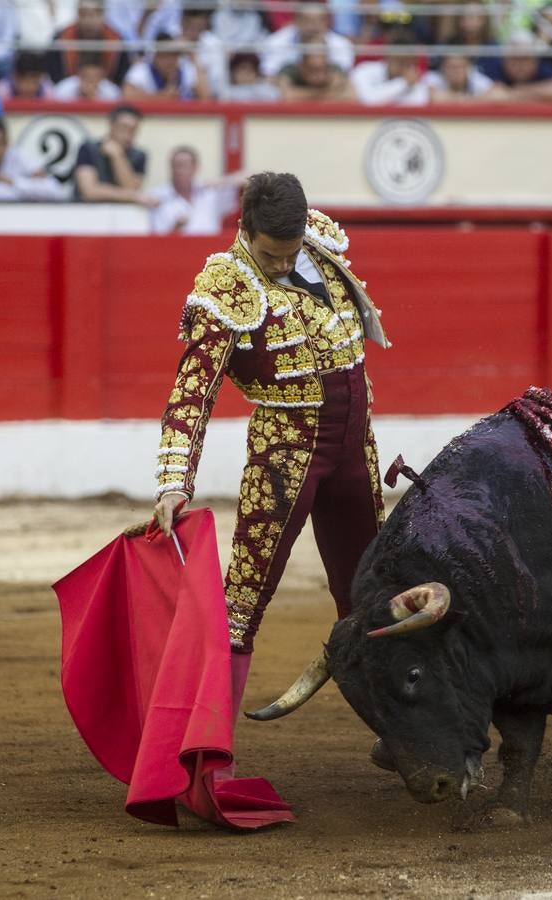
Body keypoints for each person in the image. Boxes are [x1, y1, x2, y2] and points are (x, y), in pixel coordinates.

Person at [151, 172, 390, 732]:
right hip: (285, 457)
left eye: (289, 253)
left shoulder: (322, 248)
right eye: (268, 254)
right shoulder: (225, 286)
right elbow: (192, 391)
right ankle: (205, 751)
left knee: (371, 596)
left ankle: (403, 734)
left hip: (357, 450)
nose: (280, 265)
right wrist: (173, 481)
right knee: (240, 607)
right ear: (244, 229)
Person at [0, 118, 67, 201]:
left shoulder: (16, 154)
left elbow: (55, 190)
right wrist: (31, 190)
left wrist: (13, 182)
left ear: (7, 144)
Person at [148, 145, 243, 234]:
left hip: (211, 248)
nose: (178, 170)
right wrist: (175, 229)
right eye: (175, 165)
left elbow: (251, 179)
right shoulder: (158, 196)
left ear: (195, 168)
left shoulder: (210, 193)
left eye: (183, 165)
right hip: (176, 250)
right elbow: (157, 241)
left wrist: (219, 181)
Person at [72, 104, 152, 204]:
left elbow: (132, 189)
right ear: (112, 125)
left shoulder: (139, 156)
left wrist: (117, 157)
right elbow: (89, 192)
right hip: (86, 213)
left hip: (122, 214)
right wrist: (129, 196)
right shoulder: (88, 149)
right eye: (124, 128)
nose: (128, 134)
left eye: (133, 130)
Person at [259, 2, 354, 77]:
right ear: (296, 21)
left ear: (326, 22)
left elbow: (341, 78)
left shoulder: (342, 45)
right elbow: (270, 75)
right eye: (307, 20)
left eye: (318, 20)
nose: (312, 26)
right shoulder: (275, 42)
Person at [49, 0, 130, 85]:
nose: (88, 20)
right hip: (70, 90)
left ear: (102, 15)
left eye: (92, 14)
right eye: (83, 14)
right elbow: (55, 77)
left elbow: (120, 79)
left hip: (104, 90)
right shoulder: (61, 38)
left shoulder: (116, 40)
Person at [349, 30, 429, 105]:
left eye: (409, 64)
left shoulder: (414, 80)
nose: (404, 68)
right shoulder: (364, 70)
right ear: (388, 57)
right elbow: (366, 99)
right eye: (401, 62)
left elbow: (419, 101)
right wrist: (403, 83)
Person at [485, 31, 552, 102]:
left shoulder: (544, 68)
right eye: (515, 58)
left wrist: (514, 92)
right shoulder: (495, 68)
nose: (520, 65)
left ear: (535, 61)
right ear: (505, 59)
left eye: (525, 58)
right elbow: (490, 95)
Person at [121, 31, 206, 99]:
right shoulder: (142, 70)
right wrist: (160, 96)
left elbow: (205, 97)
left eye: (174, 55)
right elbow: (126, 95)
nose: (170, 61)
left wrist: (193, 57)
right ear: (155, 56)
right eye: (165, 55)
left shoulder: (186, 68)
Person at [276, 50, 355, 101]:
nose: (318, 75)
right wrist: (325, 93)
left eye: (322, 69)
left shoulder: (334, 70)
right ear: (302, 67)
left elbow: (351, 96)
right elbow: (287, 97)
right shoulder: (290, 70)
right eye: (313, 69)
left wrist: (303, 96)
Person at [423, 51, 502, 101]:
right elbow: (436, 98)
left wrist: (458, 99)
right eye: (452, 67)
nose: (456, 71)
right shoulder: (433, 78)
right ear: (442, 68)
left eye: (461, 67)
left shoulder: (477, 79)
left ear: (469, 68)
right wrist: (474, 100)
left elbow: (498, 95)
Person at [53, 51, 122, 100]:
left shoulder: (111, 91)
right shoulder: (63, 88)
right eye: (86, 76)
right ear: (79, 75)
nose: (91, 80)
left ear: (102, 77)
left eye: (96, 77)